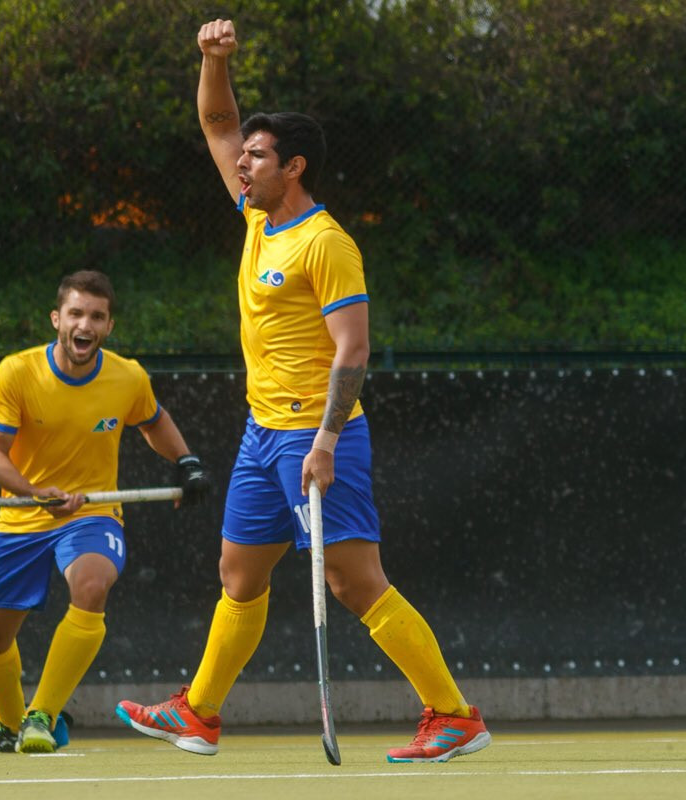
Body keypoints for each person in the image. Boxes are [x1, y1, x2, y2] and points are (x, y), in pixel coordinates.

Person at [115, 19, 491, 764]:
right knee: (239, 574)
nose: (240, 163)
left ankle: (453, 714)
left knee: (354, 581)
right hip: (261, 434)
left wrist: (324, 441)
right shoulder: (256, 214)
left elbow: (354, 349)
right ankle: (199, 713)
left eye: (256, 156)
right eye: (244, 155)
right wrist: (211, 59)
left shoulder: (327, 243)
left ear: (294, 166)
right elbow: (216, 118)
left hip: (319, 433)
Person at [0, 270, 211, 754]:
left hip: (93, 513)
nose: (84, 324)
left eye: (96, 316)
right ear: (57, 319)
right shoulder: (18, 372)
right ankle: (9, 724)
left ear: (108, 326)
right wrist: (35, 491)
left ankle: (42, 715)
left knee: (91, 585)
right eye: (75, 313)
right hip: (23, 516)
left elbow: (153, 422)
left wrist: (186, 463)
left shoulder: (127, 376)